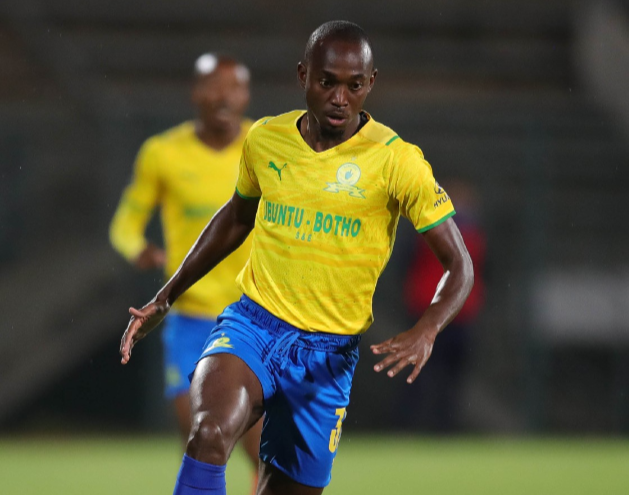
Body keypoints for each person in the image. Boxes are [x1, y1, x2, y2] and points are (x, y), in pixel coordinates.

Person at [119, 21, 474, 495]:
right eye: (327, 81)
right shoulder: (266, 139)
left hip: (327, 356)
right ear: (304, 75)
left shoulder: (397, 161)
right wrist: (166, 296)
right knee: (208, 433)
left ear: (370, 84)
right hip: (253, 325)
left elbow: (460, 264)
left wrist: (427, 328)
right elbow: (235, 219)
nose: (340, 98)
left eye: (353, 85)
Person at [109, 53, 263, 480]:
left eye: (235, 86)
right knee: (200, 441)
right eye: (214, 85)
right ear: (196, 93)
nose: (225, 96)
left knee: (261, 453)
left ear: (247, 95)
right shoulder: (163, 153)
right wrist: (136, 247)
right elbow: (125, 220)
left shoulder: (265, 146)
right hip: (189, 318)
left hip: (250, 317)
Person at [402, 181, 486, 432]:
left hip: (448, 313)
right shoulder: (469, 232)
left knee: (437, 375)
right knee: (425, 374)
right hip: (434, 312)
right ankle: (420, 426)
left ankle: (432, 427)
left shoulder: (470, 232)